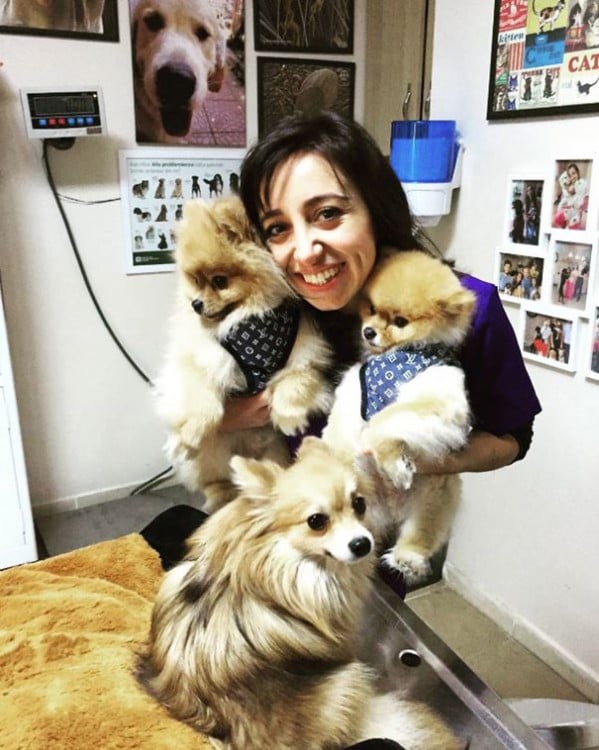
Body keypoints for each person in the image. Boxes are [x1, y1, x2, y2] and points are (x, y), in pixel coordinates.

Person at [142, 112, 541, 590]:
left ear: (375, 207)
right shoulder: (270, 309)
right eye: (277, 228)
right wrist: (240, 416)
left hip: (379, 539)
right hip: (281, 535)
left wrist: (427, 459)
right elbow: (194, 402)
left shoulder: (457, 306)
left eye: (327, 214)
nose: (306, 250)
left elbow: (514, 437)